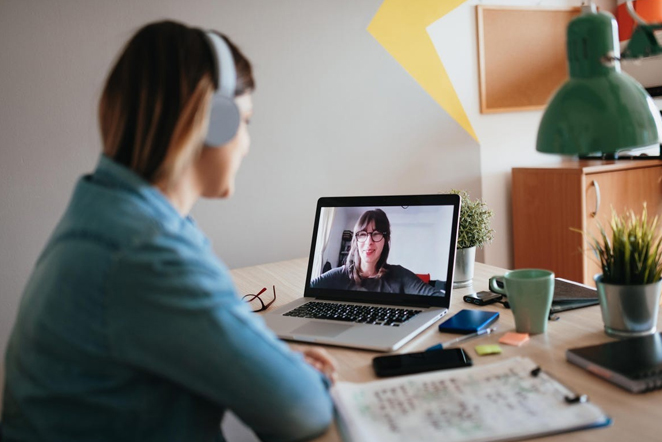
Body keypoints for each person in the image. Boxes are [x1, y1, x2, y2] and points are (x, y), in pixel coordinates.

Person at [1, 20, 336, 442]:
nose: (247, 144)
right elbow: (304, 411)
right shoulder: (147, 251)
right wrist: (294, 377)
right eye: (245, 121)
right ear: (214, 121)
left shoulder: (107, 210)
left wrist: (271, 362)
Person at [311, 209, 443, 296]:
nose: (369, 242)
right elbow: (307, 291)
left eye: (376, 234)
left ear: (385, 240)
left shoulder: (400, 275)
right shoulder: (338, 276)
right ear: (356, 240)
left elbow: (437, 297)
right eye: (363, 234)